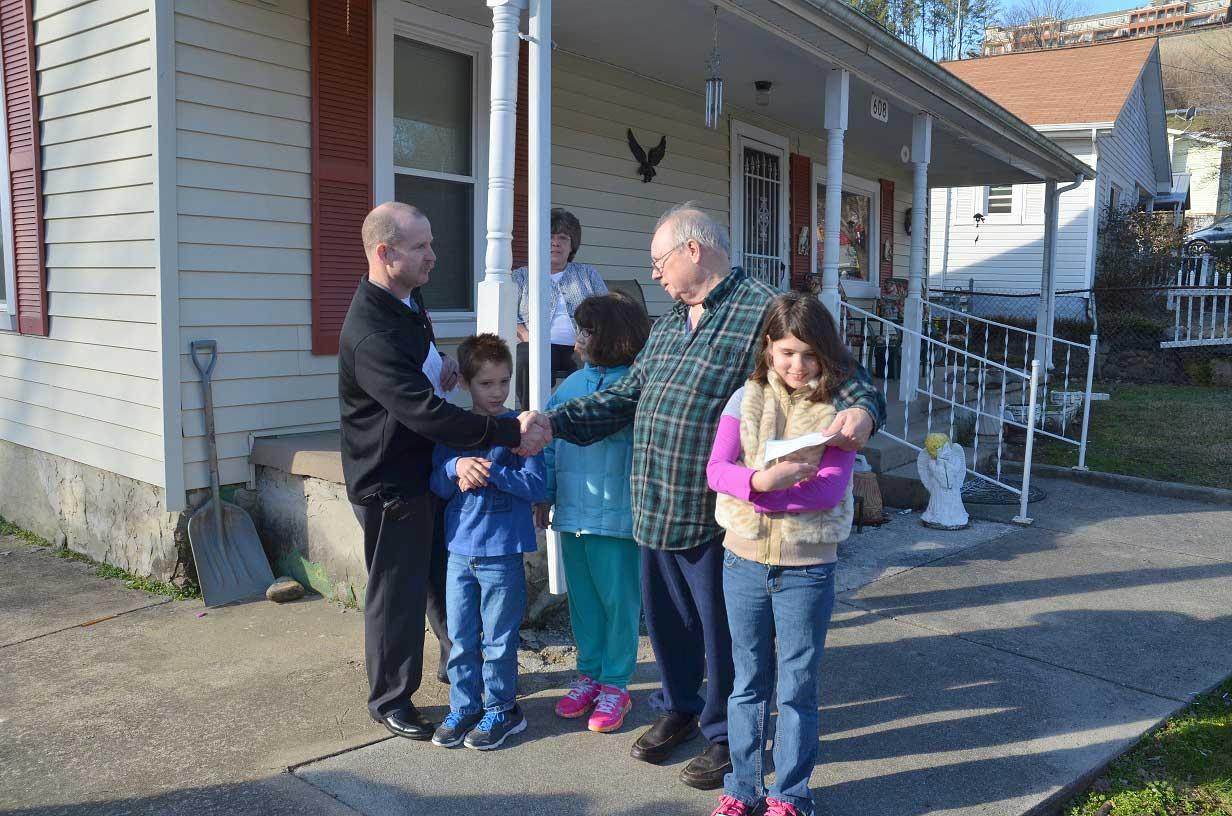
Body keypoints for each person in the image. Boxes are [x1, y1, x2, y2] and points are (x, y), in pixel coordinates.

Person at [520, 203, 885, 791]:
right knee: (667, 627)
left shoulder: (762, 310)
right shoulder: (667, 323)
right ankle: (680, 709)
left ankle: (726, 737)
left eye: (659, 261)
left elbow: (846, 373)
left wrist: (864, 411)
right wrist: (552, 423)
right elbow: (624, 399)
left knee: (724, 635)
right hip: (654, 504)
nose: (655, 274)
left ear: (694, 250)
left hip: (718, 514)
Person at [338, 202, 547, 742]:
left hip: (430, 468)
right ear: (385, 255)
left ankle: (462, 680)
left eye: (432, 242)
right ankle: (389, 697)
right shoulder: (371, 333)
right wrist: (506, 431)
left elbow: (421, 359)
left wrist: (441, 364)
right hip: (391, 480)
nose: (435, 256)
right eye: (422, 247)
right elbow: (423, 412)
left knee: (440, 583)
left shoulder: (407, 301)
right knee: (398, 592)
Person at [705, 292, 858, 816]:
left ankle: (790, 794)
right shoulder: (741, 399)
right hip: (742, 561)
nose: (798, 365)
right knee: (746, 682)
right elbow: (716, 470)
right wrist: (759, 480)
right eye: (788, 351)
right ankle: (741, 787)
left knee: (796, 686)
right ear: (768, 347)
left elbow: (827, 491)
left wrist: (757, 490)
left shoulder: (840, 411)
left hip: (807, 568)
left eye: (810, 354)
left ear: (826, 354)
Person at [535, 292, 651, 734]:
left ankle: (616, 684)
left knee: (619, 604)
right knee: (583, 603)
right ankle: (589, 674)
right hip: (572, 517)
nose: (577, 337)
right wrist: (542, 495)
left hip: (619, 520)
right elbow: (546, 448)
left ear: (608, 337)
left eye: (584, 329)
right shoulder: (568, 386)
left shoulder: (635, 388)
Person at [429, 334, 546, 751]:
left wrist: (493, 472)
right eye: (486, 384)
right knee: (461, 638)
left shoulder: (520, 428)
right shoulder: (453, 428)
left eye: (503, 382)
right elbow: (437, 481)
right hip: (459, 552)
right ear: (466, 384)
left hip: (502, 556)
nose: (497, 392)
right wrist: (457, 466)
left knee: (499, 640)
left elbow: (536, 484)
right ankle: (464, 706)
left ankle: (502, 709)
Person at [512, 208, 608, 410]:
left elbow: (607, 309)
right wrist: (528, 336)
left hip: (584, 345)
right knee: (526, 354)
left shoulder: (587, 273)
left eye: (563, 238)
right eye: (550, 236)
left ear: (572, 245)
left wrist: (589, 337)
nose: (555, 242)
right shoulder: (521, 276)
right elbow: (510, 317)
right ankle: (530, 413)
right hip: (537, 346)